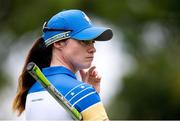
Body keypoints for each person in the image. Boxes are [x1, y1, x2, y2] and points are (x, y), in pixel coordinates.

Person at [12, 9, 113, 120]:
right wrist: (90, 96)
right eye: (84, 41)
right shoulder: (83, 93)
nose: (93, 49)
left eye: (92, 41)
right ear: (58, 42)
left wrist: (92, 94)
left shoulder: (33, 90)